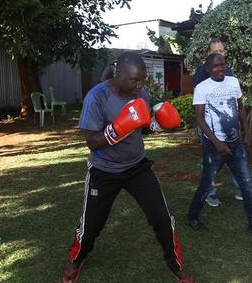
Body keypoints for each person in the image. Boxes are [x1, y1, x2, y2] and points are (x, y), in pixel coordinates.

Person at [62, 52, 195, 283]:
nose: (140, 86)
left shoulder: (140, 93)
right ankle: (77, 259)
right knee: (92, 224)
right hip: (104, 170)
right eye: (135, 80)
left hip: (137, 167)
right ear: (118, 73)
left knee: (162, 218)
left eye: (143, 80)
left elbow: (140, 126)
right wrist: (117, 129)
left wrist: (156, 125)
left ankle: (176, 265)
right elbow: (92, 142)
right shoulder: (97, 97)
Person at [186, 53, 252, 242]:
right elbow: (199, 118)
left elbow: (240, 108)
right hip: (214, 147)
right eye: (215, 66)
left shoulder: (233, 82)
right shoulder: (202, 88)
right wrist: (216, 143)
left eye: (222, 65)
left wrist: (247, 133)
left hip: (235, 144)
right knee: (207, 184)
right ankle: (192, 216)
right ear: (208, 69)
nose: (220, 69)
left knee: (246, 183)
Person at [193, 38, 243, 207]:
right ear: (209, 54)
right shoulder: (201, 73)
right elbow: (201, 103)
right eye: (215, 51)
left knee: (235, 157)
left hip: (229, 126)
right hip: (209, 127)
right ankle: (210, 193)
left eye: (221, 51)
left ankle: (239, 189)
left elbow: (235, 100)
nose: (219, 54)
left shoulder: (229, 72)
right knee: (210, 161)